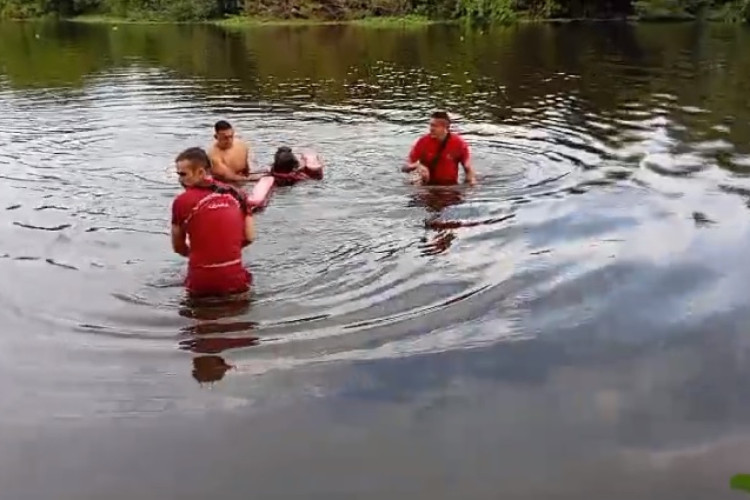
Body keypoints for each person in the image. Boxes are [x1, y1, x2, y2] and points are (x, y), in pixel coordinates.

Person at [171, 147, 255, 298]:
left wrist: (205, 255)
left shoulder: (181, 201)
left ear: (201, 173)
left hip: (202, 281)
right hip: (235, 279)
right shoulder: (238, 194)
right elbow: (249, 237)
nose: (180, 180)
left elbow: (178, 247)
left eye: (183, 174)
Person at [403, 111, 477, 186]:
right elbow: (405, 167)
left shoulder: (459, 143)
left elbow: (468, 168)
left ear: (446, 127)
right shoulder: (423, 142)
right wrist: (417, 166)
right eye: (431, 125)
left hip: (450, 186)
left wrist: (471, 182)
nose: (431, 129)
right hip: (427, 186)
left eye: (435, 126)